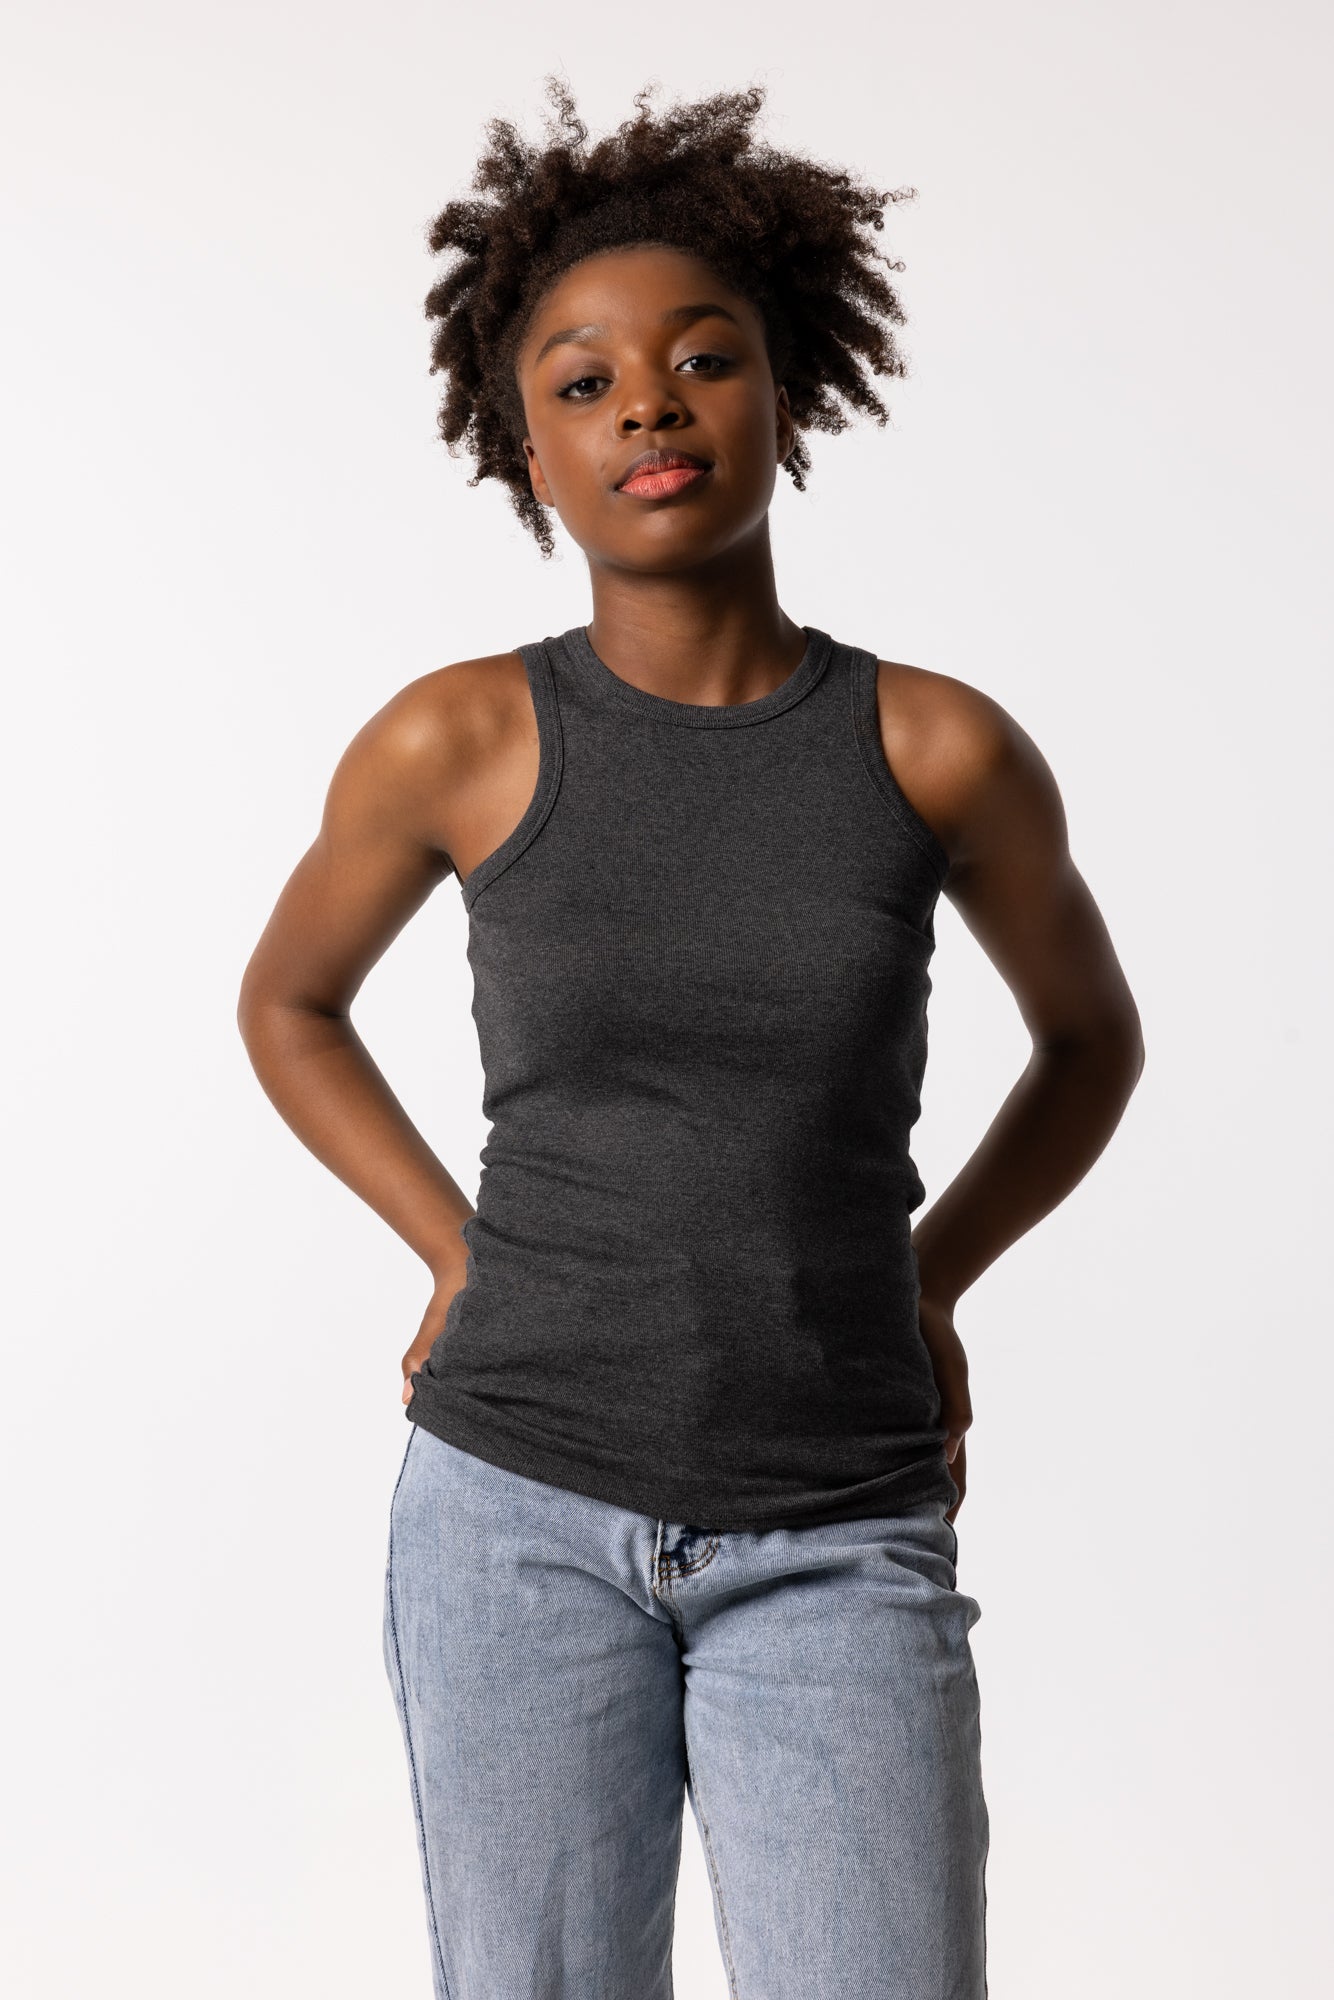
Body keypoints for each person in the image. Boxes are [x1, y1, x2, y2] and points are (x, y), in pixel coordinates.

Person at [237, 76, 1145, 2000]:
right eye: (584, 385)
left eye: (702, 360)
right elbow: (288, 1004)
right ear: (530, 457)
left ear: (786, 395)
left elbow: (1088, 1045)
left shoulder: (935, 747)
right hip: (511, 1506)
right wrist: (450, 1249)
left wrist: (930, 1275)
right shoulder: (457, 740)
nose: (647, 406)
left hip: (840, 1514)